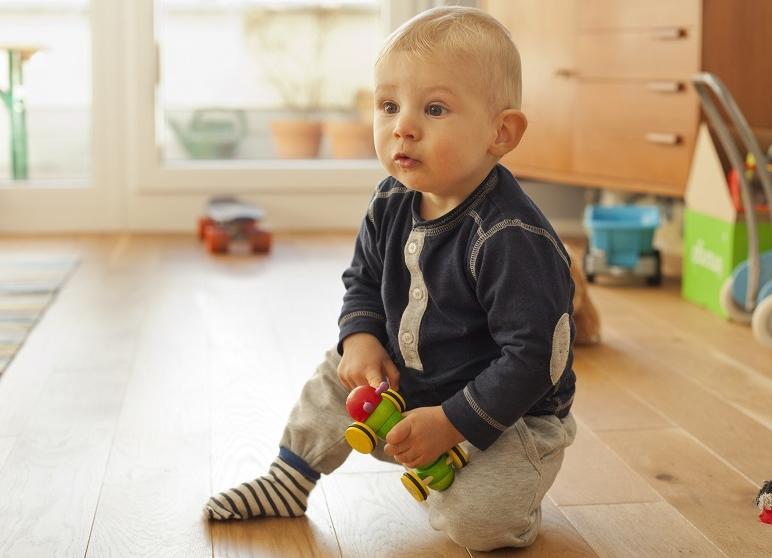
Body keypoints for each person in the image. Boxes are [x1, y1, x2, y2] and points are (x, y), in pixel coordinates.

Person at [204, 6, 577, 551]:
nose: (402, 125)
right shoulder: (391, 201)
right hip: (409, 384)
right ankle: (290, 477)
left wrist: (450, 424)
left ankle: (496, 497)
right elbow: (363, 279)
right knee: (338, 373)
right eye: (388, 105)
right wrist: (360, 340)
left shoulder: (509, 236)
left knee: (476, 528)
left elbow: (532, 360)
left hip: (506, 419)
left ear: (501, 132)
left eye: (434, 108)